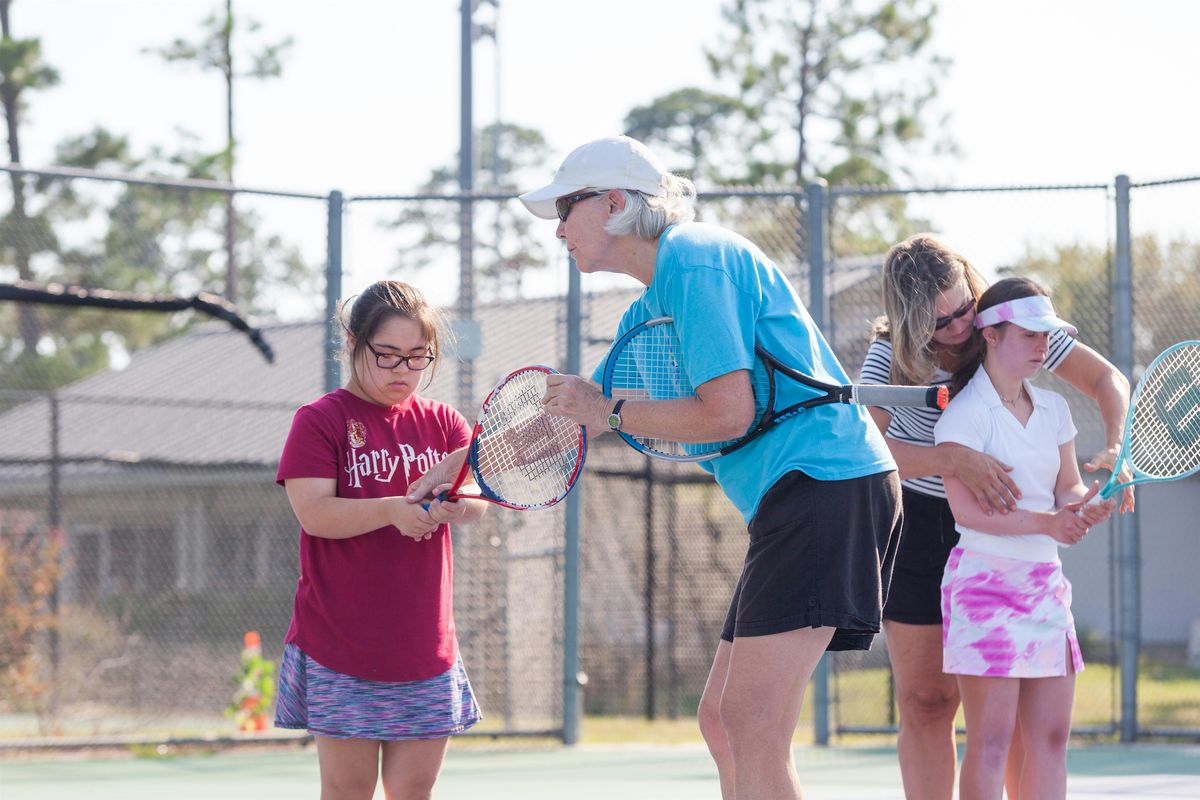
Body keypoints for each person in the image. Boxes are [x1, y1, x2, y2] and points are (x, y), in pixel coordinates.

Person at [408, 135, 902, 800]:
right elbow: (568, 418)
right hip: (803, 496)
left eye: (564, 210)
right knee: (724, 723)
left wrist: (606, 410)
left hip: (824, 486)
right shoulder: (653, 304)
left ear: (614, 202)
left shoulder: (696, 260)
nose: (556, 230)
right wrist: (462, 464)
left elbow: (726, 412)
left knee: (751, 722)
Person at [859, 234, 1134, 800]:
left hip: (1007, 540)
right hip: (918, 525)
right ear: (909, 322)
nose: (959, 327)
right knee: (926, 701)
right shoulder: (890, 357)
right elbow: (871, 456)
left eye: (962, 308)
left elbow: (1108, 380)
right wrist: (952, 458)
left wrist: (1116, 453)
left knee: (1011, 725)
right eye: (939, 323)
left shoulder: (1007, 324)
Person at [274, 280, 487, 800]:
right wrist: (393, 511)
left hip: (425, 645)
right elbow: (315, 513)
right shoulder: (320, 420)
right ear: (354, 343)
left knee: (413, 791)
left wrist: (459, 506)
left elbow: (478, 499)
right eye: (387, 355)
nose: (403, 371)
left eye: (418, 357)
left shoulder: (443, 422)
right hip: (341, 643)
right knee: (348, 791)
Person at [935, 276, 1117, 799]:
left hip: (1045, 586)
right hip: (983, 587)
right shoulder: (964, 415)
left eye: (1047, 335)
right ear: (991, 336)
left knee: (1052, 738)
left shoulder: (1055, 411)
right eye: (1030, 334)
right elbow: (967, 512)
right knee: (990, 743)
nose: (1043, 346)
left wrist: (1087, 502)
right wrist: (1048, 523)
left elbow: (1066, 487)